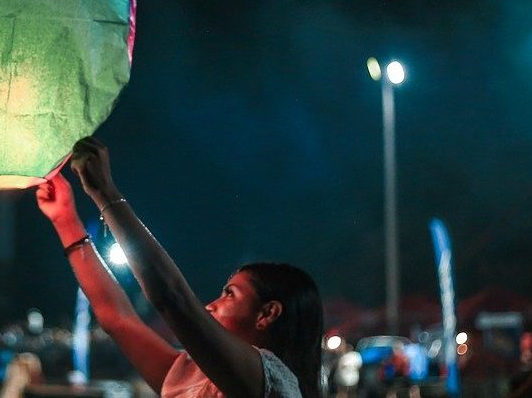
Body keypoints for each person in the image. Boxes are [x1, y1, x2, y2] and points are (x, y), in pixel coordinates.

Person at [34, 138, 323, 397]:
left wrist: (105, 193)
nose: (211, 305)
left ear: (267, 314)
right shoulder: (190, 377)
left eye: (230, 294)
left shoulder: (273, 383)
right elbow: (118, 320)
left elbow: (173, 299)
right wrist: (65, 219)